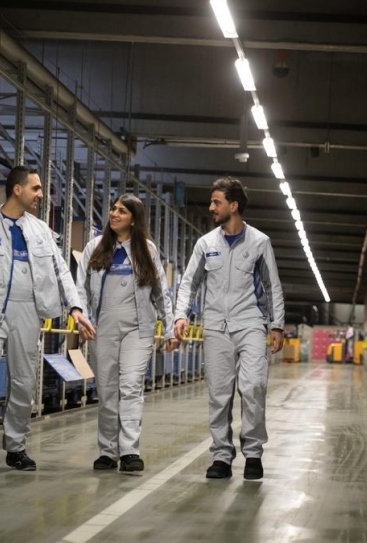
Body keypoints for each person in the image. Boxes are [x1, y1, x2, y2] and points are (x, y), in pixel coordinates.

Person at [0, 165, 96, 477]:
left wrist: (76, 309)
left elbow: (61, 272)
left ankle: (15, 447)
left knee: (24, 382)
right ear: (17, 189)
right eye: (36, 189)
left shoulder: (41, 231)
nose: (41, 195)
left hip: (28, 311)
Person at [173, 176, 285, 480]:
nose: (211, 207)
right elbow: (188, 283)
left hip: (250, 323)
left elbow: (272, 286)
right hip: (216, 327)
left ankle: (253, 454)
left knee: (253, 387)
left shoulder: (260, 242)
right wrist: (180, 315)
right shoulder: (205, 244)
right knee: (219, 393)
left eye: (216, 202)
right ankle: (221, 455)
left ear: (233, 206)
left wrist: (277, 325)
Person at [76, 194, 179, 473]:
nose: (114, 213)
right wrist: (81, 316)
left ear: (134, 218)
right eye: (113, 209)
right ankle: (107, 452)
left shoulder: (147, 250)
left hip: (138, 329)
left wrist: (169, 329)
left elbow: (161, 293)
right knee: (107, 390)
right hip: (103, 328)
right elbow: (80, 288)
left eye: (122, 210)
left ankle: (130, 451)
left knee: (131, 386)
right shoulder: (94, 248)